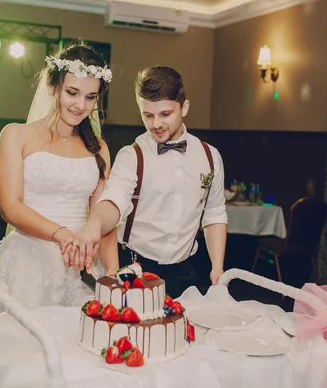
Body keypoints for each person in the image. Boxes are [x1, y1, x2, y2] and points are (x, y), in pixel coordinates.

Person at [64, 66, 228, 298]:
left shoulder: (210, 156)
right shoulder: (132, 155)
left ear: (185, 107)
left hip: (186, 272)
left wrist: (217, 266)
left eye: (165, 114)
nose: (156, 124)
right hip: (135, 269)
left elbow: (214, 214)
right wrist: (95, 224)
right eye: (148, 115)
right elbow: (115, 200)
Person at [0, 43, 118, 309]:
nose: (81, 105)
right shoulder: (16, 135)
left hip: (81, 266)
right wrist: (62, 234)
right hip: (28, 265)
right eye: (72, 92)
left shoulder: (99, 148)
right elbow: (10, 207)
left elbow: (104, 217)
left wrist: (112, 272)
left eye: (91, 97)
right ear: (53, 86)